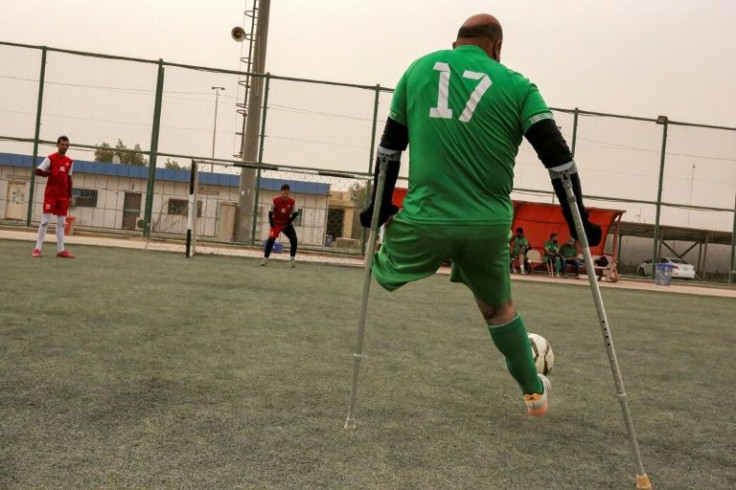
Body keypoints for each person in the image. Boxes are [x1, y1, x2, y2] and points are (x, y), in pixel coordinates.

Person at [359, 13, 601, 417]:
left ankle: (382, 263)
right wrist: (580, 222)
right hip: (487, 224)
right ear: (497, 48)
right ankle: (533, 392)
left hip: (424, 220)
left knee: (376, 266)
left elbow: (389, 151)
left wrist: (379, 208)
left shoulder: (417, 70)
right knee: (498, 309)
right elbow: (559, 160)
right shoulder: (519, 86)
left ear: (457, 43)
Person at [32, 135, 75, 258]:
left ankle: (61, 250)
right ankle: (37, 249)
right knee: (45, 221)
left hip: (63, 196)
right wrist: (48, 173)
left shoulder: (69, 162)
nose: (64, 147)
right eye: (62, 144)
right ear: (57, 145)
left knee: (61, 223)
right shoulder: (50, 158)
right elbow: (37, 171)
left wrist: (70, 196)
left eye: (67, 145)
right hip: (51, 195)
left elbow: (69, 180)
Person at [261, 184, 300, 267]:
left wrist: (289, 222)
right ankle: (265, 259)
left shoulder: (292, 202)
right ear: (281, 192)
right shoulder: (275, 201)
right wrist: (271, 222)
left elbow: (296, 213)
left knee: (294, 240)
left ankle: (292, 260)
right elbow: (270, 212)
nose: (286, 192)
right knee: (270, 241)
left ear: (289, 192)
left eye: (287, 191)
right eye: (284, 191)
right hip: (276, 223)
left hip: (286, 224)